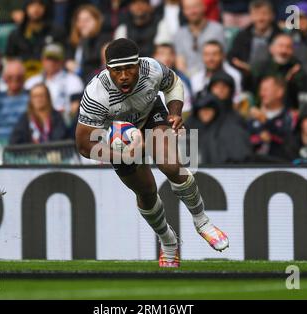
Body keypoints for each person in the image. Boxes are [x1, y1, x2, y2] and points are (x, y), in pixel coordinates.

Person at [75, 38, 229, 268]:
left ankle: (202, 222)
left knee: (171, 165)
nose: (124, 75)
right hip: (120, 141)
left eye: (129, 68)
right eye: (117, 70)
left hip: (151, 117)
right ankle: (168, 241)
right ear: (108, 70)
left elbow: (174, 84)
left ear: (138, 64)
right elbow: (84, 144)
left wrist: (175, 112)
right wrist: (120, 156)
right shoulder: (96, 95)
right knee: (146, 192)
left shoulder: (152, 69)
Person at [25, 43, 84, 136]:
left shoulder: (73, 80)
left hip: (63, 124)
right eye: (49, 58)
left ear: (62, 61)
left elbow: (75, 109)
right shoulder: (31, 82)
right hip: (36, 124)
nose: (51, 63)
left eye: (55, 59)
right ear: (43, 60)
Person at [228, 0, 282, 88]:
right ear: (251, 16)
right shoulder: (242, 35)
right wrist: (242, 66)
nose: (260, 18)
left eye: (264, 14)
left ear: (272, 16)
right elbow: (232, 57)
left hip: (272, 78)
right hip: (245, 78)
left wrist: (257, 70)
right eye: (256, 14)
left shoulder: (279, 36)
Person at [185, 92, 251, 164]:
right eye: (201, 108)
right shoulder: (188, 129)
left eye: (209, 107)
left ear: (216, 110)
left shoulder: (231, 131)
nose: (205, 111)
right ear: (196, 111)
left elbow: (242, 160)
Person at [6, 0, 66, 78]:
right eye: (32, 4)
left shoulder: (57, 31)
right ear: (26, 7)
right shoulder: (16, 34)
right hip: (21, 77)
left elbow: (63, 56)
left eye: (40, 4)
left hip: (50, 76)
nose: (36, 9)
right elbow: (9, 58)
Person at [252, 33, 306, 109]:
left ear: (293, 51)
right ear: (271, 48)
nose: (284, 51)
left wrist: (290, 83)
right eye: (280, 46)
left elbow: (299, 98)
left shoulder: (297, 69)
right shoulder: (260, 68)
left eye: (288, 47)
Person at [248, 75, 294, 161]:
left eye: (266, 90)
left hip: (280, 166)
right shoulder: (251, 117)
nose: (262, 94)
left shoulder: (289, 116)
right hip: (253, 166)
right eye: (261, 90)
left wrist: (265, 121)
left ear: (280, 92)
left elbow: (288, 139)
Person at [174, 0, 225, 77]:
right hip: (188, 80)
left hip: (213, 78)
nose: (192, 11)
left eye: (195, 7)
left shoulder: (217, 30)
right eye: (188, 8)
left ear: (204, 7)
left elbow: (221, 59)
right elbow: (180, 62)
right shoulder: (180, 34)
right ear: (183, 11)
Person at [66, 4, 111, 84]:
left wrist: (78, 71)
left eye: (87, 20)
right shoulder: (74, 42)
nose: (82, 24)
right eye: (79, 21)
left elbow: (93, 65)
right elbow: (68, 62)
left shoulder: (105, 39)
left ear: (97, 20)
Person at [153, 43, 193, 115]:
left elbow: (187, 110)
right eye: (162, 54)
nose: (167, 57)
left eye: (170, 54)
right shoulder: (146, 79)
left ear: (174, 57)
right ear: (154, 56)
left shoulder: (183, 80)